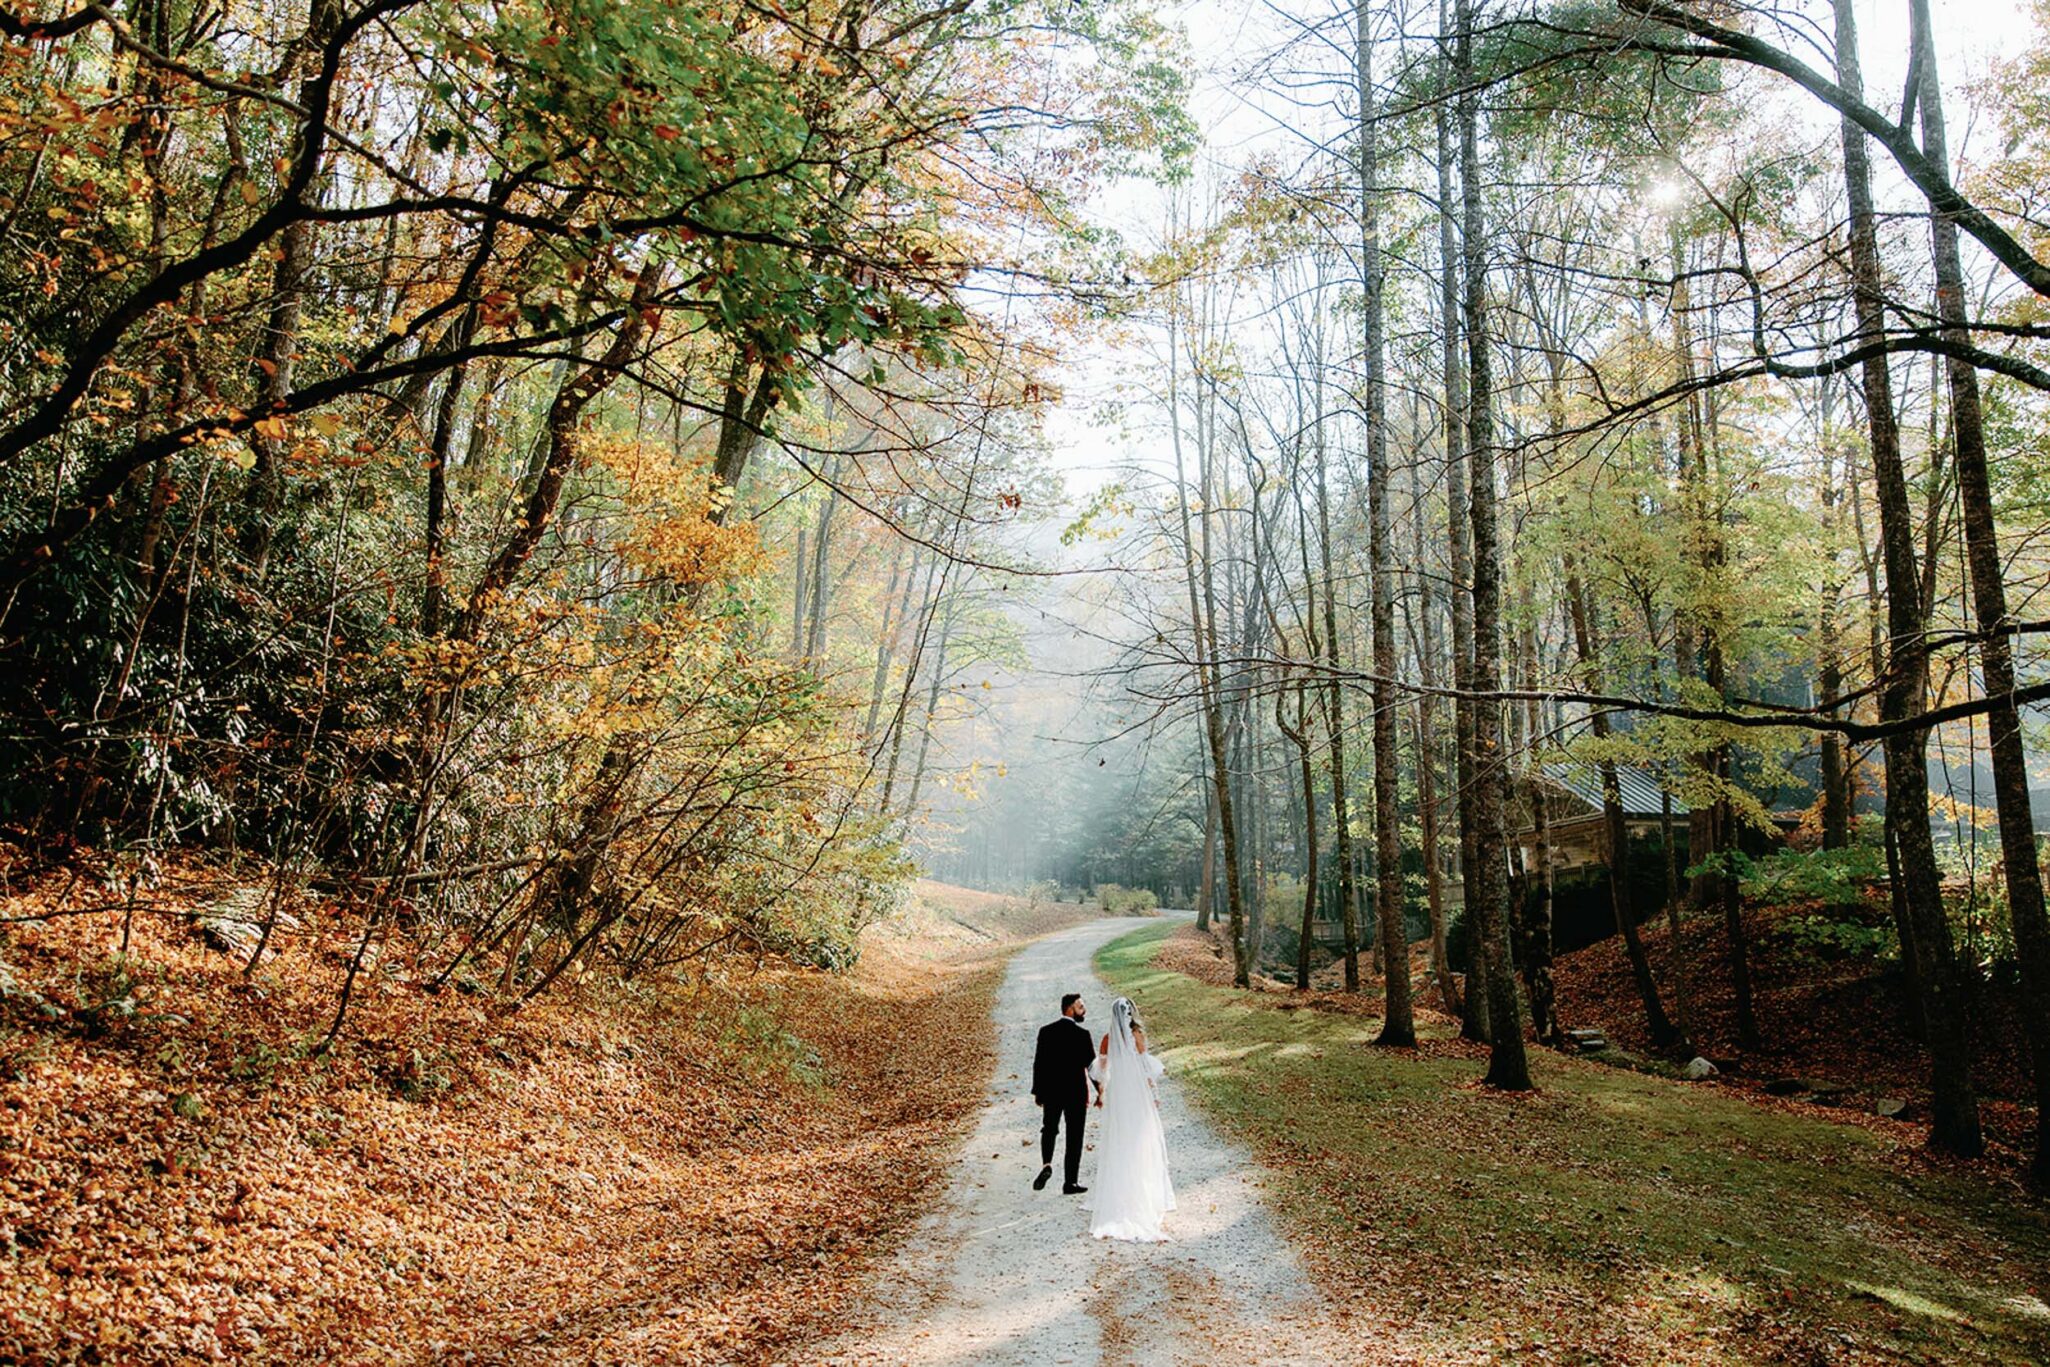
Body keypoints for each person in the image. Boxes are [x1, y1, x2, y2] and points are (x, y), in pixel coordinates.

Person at [1086, 996, 1175, 1241]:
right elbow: (1146, 1069)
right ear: (1130, 1014)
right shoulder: (1136, 1037)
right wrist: (1154, 1094)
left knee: (1120, 1139)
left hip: (1118, 1093)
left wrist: (1102, 1095)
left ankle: (1119, 1192)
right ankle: (1144, 1191)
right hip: (1136, 1092)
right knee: (1141, 1138)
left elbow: (1102, 1073)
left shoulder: (1107, 1038)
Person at [1030, 992, 1097, 1194]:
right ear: (1070, 1008)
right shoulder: (1082, 1035)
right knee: (1074, 1137)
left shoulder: (1046, 1032)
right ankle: (1070, 1183)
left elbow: (1039, 1064)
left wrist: (1038, 1092)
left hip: (1051, 1092)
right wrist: (1100, 1090)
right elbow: (1092, 1068)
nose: (1084, 1010)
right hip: (1075, 1094)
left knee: (1049, 1128)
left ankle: (1047, 1164)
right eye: (1080, 1007)